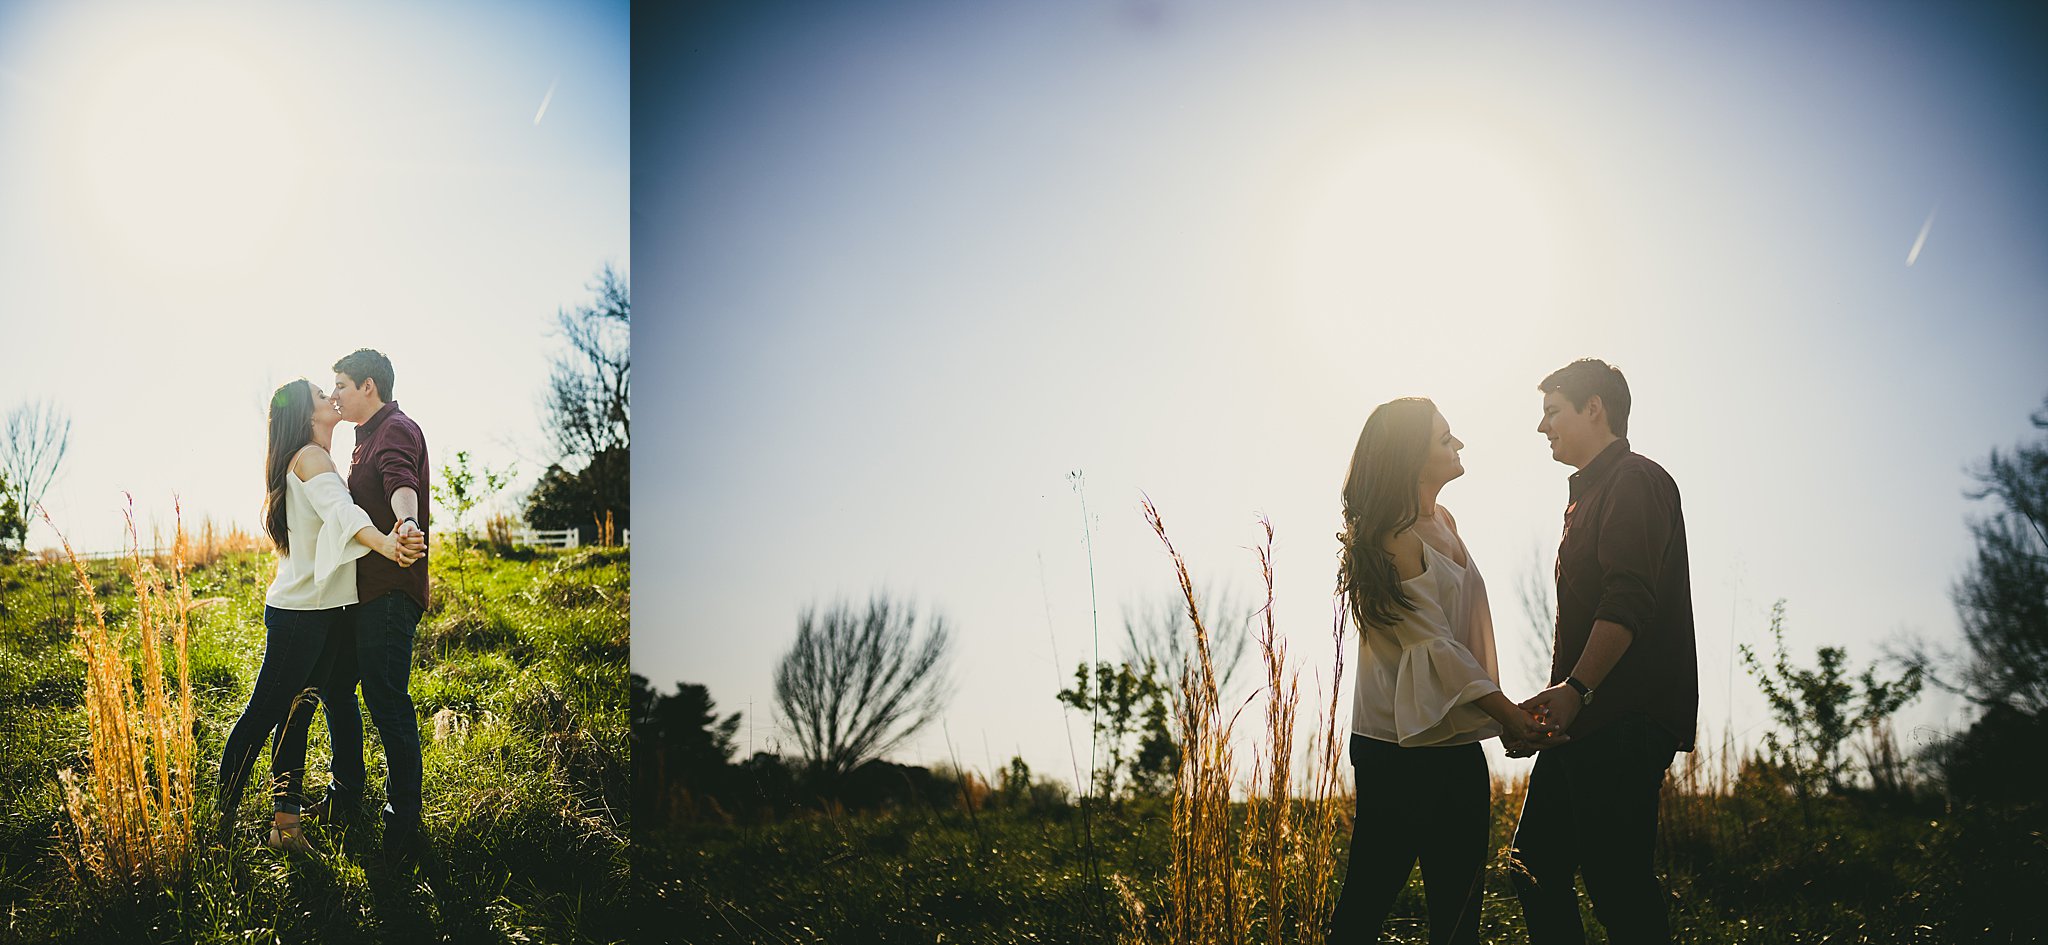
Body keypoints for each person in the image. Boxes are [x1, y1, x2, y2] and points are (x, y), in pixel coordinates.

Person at [1328, 397, 1565, 945]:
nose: (1458, 444)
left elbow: (1459, 638)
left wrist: (1500, 712)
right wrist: (1508, 714)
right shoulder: (1390, 536)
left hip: (1455, 743)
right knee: (1364, 908)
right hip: (1396, 750)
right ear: (1411, 457)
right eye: (1444, 439)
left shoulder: (1446, 522)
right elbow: (1434, 646)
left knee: (1459, 921)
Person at [1509, 359, 1698, 944]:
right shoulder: (1586, 498)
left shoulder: (1635, 480)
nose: (1543, 427)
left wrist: (1576, 691)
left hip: (1623, 721)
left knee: (1618, 887)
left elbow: (1627, 603)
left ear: (1595, 408)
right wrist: (1556, 705)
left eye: (1552, 411)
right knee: (1534, 866)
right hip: (1584, 722)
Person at [216, 378, 423, 852]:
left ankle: (285, 828)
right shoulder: (311, 458)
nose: (330, 397)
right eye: (319, 394)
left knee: (299, 712)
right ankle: (218, 820)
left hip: (325, 611)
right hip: (299, 615)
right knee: (264, 714)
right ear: (307, 416)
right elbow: (344, 514)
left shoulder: (318, 457)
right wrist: (388, 545)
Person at [306, 348, 433, 867]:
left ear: (368, 387)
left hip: (389, 591)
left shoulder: (395, 429)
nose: (334, 393)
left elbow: (401, 482)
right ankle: (347, 794)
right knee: (337, 687)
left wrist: (406, 524)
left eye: (340, 384)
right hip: (360, 595)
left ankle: (403, 825)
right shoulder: (361, 440)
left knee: (386, 701)